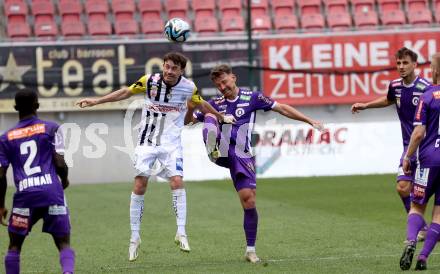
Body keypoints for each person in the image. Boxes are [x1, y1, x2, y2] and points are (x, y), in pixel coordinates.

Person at [76, 52, 233, 262]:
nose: (169, 71)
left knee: (177, 181)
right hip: (146, 142)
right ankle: (134, 237)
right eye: (166, 67)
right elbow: (125, 92)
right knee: (140, 185)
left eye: (174, 68)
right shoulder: (149, 81)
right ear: (163, 65)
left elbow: (201, 104)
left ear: (181, 71)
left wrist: (222, 117)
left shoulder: (188, 87)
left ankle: (181, 232)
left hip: (171, 144)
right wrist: (97, 101)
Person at [184, 64, 323, 263]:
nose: (222, 87)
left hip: (243, 154)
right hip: (221, 150)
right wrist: (190, 110)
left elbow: (281, 108)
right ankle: (212, 145)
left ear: (233, 78)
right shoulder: (215, 103)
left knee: (249, 200)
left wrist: (309, 120)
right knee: (209, 115)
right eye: (218, 85)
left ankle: (250, 250)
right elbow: (187, 122)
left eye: (224, 82)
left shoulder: (253, 98)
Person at [351, 47, 431, 240]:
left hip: (427, 146)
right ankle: (422, 228)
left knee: (430, 192)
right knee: (403, 187)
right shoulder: (394, 85)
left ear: (415, 64)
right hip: (409, 147)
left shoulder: (425, 88)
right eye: (398, 63)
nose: (401, 67)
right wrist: (366, 105)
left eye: (405, 63)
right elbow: (388, 100)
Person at [0, 90, 74, 274]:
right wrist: (64, 179)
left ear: (15, 107)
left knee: (14, 247)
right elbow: (60, 163)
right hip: (52, 193)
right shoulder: (52, 128)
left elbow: (0, 175)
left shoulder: (5, 138)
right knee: (63, 243)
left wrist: (0, 205)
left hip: (24, 197)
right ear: (37, 105)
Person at [399, 53, 440, 271]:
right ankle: (423, 257)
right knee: (439, 214)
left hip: (428, 159)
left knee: (417, 206)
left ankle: (411, 242)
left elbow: (418, 133)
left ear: (435, 71)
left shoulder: (427, 96)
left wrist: (408, 157)